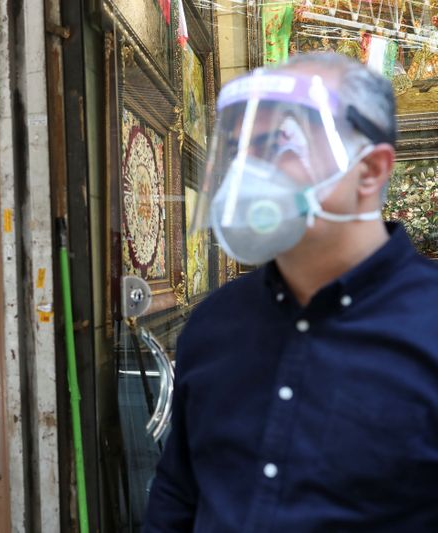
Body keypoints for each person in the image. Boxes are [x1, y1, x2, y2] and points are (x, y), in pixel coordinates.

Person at [145, 52, 438, 531]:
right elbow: (180, 490)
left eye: (278, 144)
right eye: (239, 150)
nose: (247, 174)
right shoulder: (214, 325)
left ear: (370, 171)